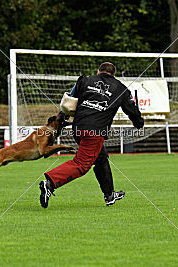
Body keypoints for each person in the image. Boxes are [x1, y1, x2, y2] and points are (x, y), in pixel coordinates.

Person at [39, 62, 144, 208]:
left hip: (78, 128)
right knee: (81, 164)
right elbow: (132, 110)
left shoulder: (85, 80)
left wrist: (61, 119)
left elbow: (69, 102)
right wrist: (139, 123)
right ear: (113, 74)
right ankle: (49, 184)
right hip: (95, 131)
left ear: (98, 71)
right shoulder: (121, 88)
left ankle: (109, 195)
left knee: (101, 158)